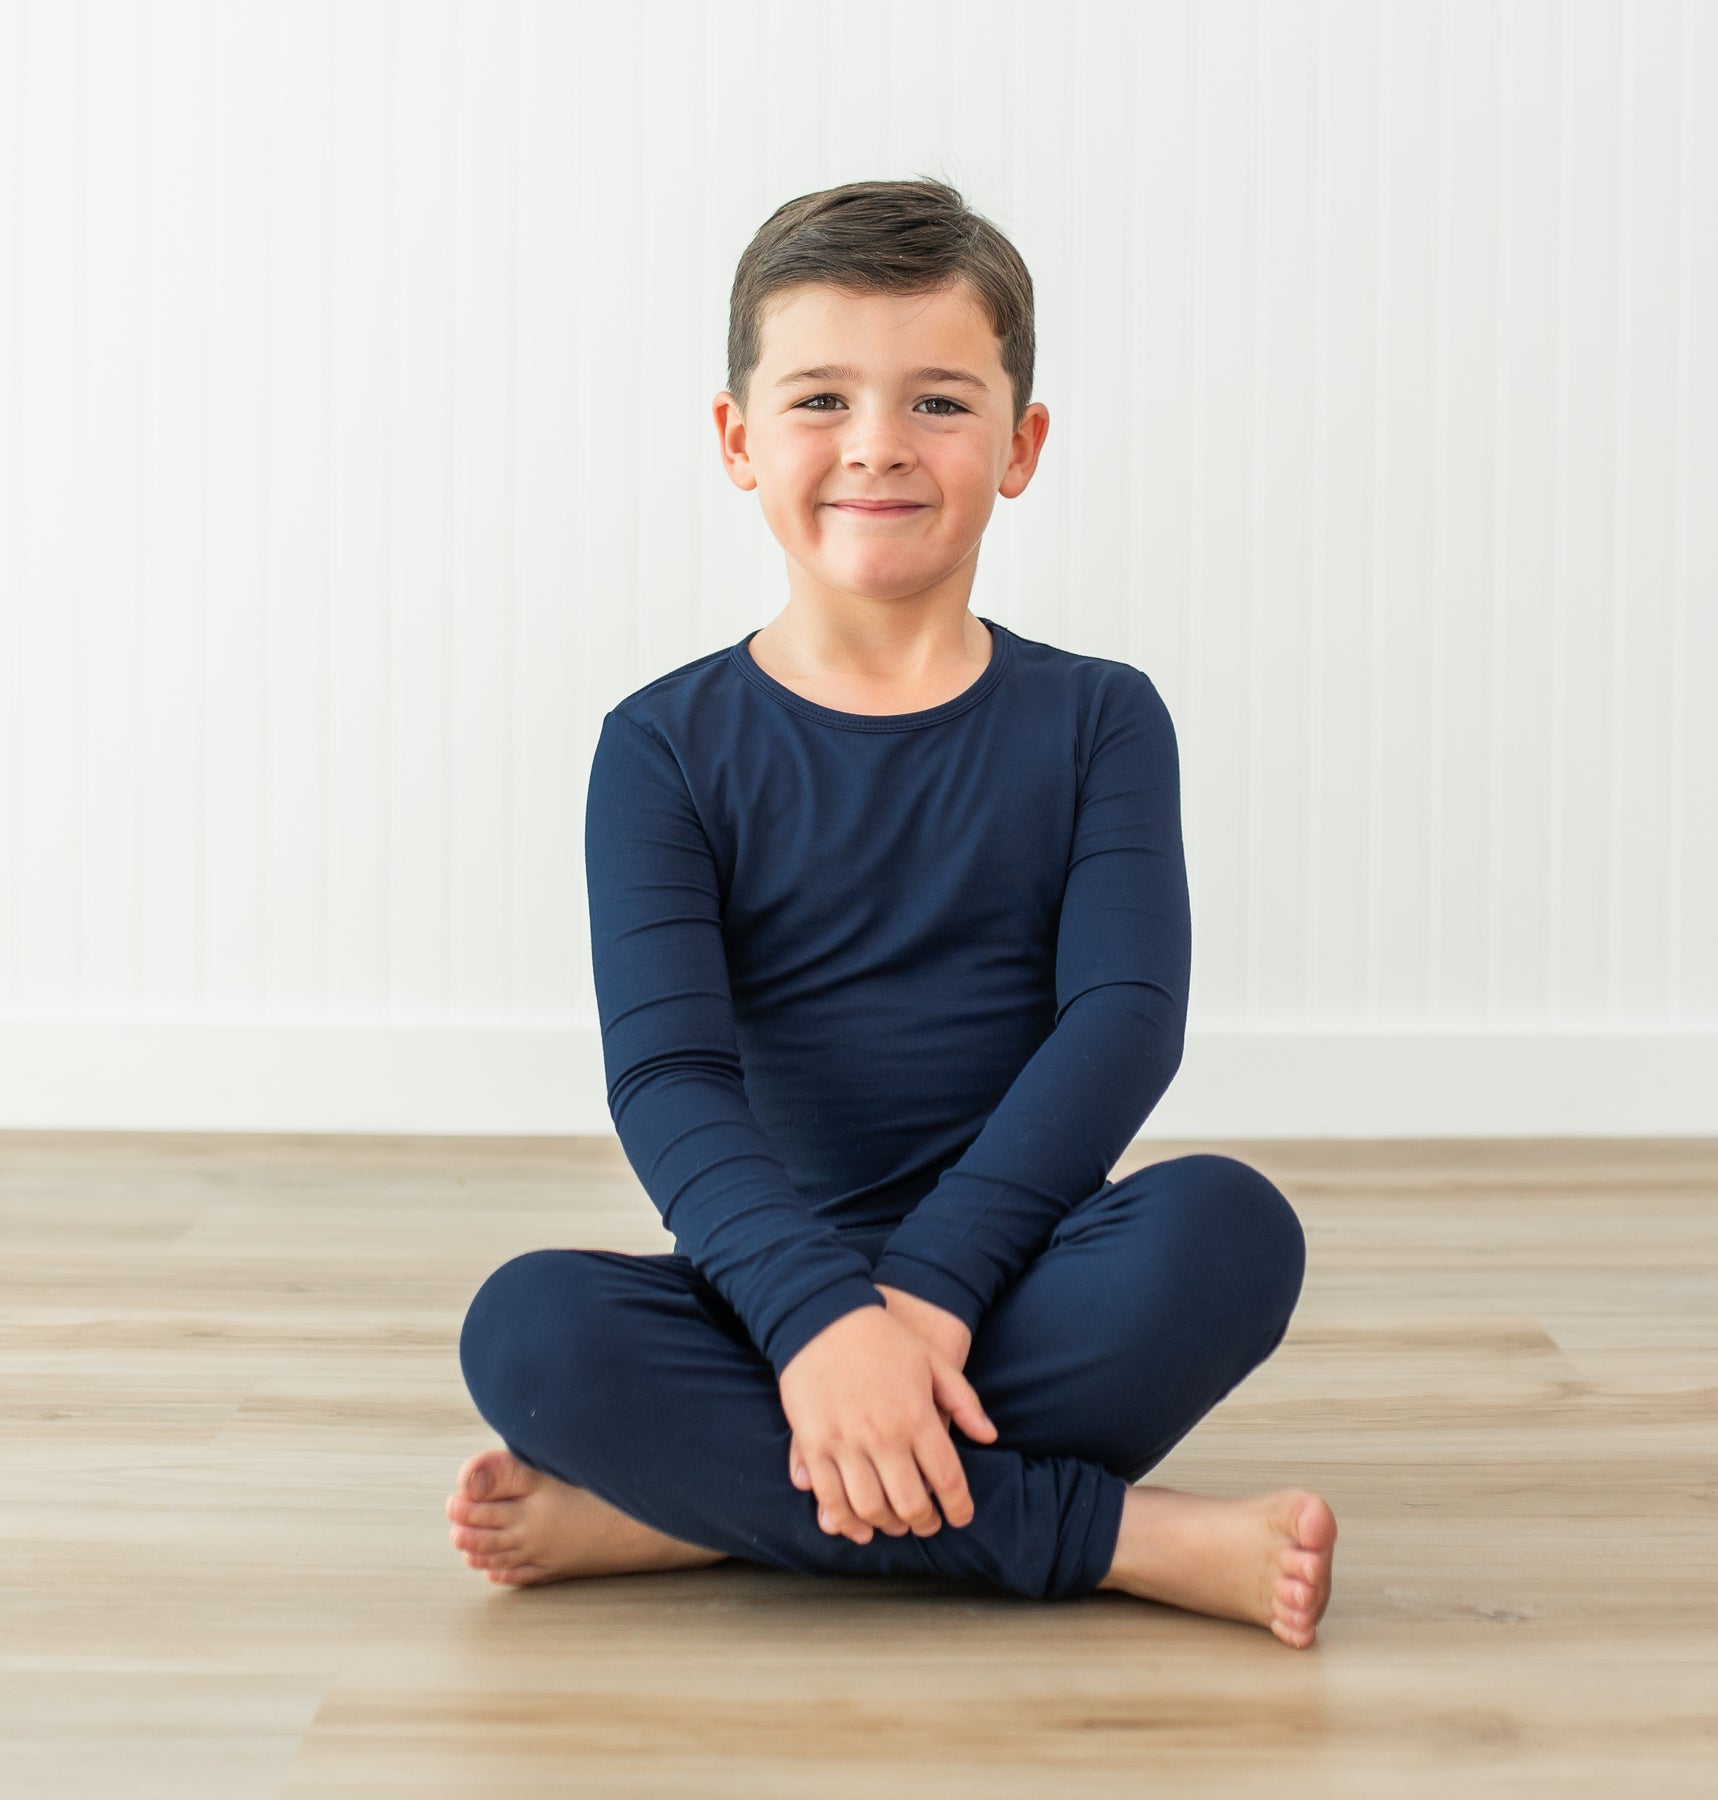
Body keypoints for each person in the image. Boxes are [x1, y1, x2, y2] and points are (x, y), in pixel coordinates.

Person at [450, 176, 1336, 1647]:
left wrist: (919, 1303)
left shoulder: (1102, 720)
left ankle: (682, 1509)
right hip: (758, 1297)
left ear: (1020, 442)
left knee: (1229, 1231)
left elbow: (1125, 1021)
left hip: (1015, 1286)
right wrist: (817, 1322)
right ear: (738, 441)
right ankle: (1106, 1536)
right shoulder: (661, 745)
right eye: (820, 400)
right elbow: (667, 1077)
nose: (876, 445)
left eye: (937, 401)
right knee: (530, 1330)